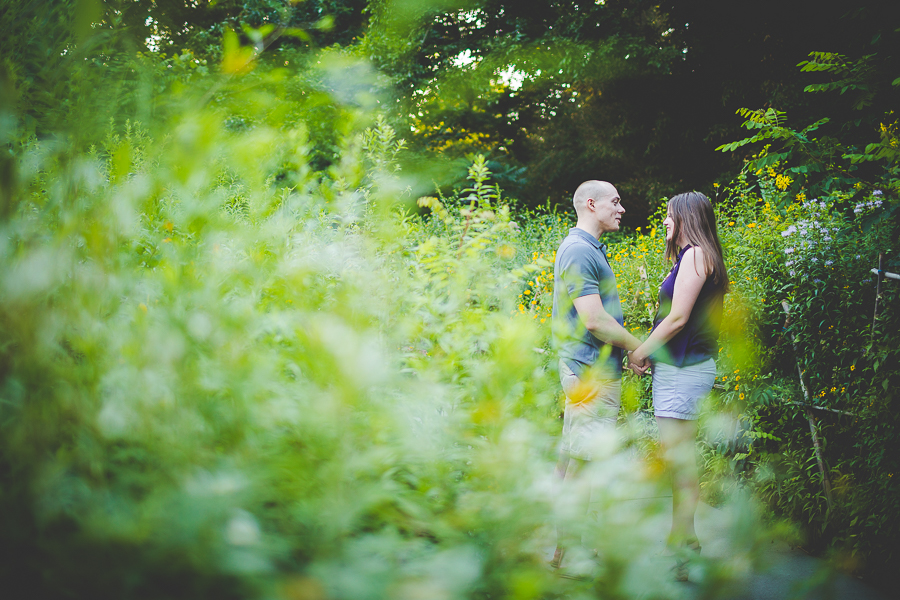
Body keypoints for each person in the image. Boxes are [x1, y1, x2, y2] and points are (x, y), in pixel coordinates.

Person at [628, 191, 728, 581]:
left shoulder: (696, 255)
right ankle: (683, 543)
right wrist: (654, 353)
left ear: (687, 217)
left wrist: (638, 352)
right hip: (680, 369)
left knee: (680, 465)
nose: (665, 222)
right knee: (679, 464)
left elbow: (677, 320)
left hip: (685, 372)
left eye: (670, 216)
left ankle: (684, 549)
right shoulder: (695, 257)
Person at [549, 180, 647, 568]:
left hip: (591, 369)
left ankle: (566, 550)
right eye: (616, 202)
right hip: (589, 374)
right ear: (591, 204)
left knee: (574, 458)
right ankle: (568, 555)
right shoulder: (578, 250)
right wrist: (637, 347)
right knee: (582, 462)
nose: (622, 209)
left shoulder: (587, 249)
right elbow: (594, 320)